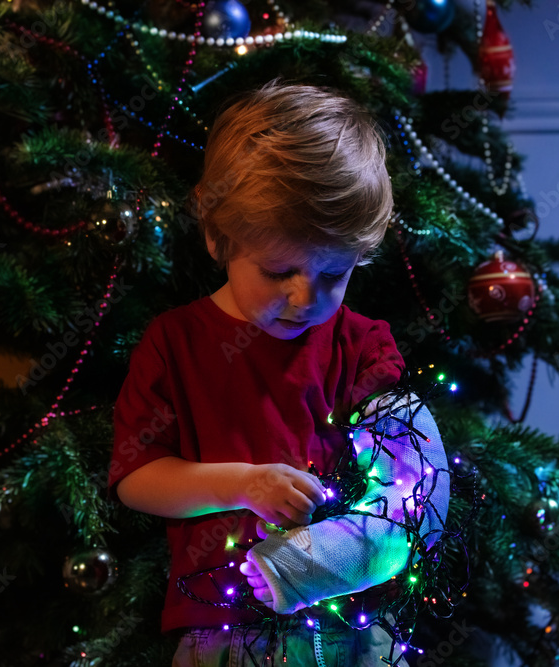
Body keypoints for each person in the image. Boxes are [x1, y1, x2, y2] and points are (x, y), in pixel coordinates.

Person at [108, 81, 448, 666]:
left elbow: (414, 487)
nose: (305, 297)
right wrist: (242, 484)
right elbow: (137, 479)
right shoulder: (176, 343)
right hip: (224, 629)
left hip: (352, 630)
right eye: (279, 270)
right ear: (219, 236)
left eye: (334, 274)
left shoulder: (362, 345)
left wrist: (327, 554)